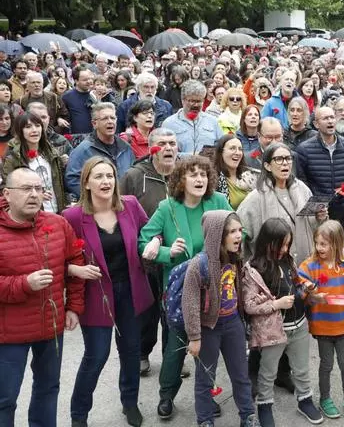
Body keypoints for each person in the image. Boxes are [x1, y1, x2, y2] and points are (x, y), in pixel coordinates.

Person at [138, 155, 231, 420]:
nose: (200, 179)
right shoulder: (167, 208)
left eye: (203, 174)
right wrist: (167, 251)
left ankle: (205, 395)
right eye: (193, 174)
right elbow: (143, 243)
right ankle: (166, 396)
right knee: (176, 347)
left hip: (214, 288)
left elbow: (240, 233)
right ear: (181, 180)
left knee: (209, 346)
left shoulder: (218, 202)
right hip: (179, 290)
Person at [63, 157, 153, 427]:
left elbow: (150, 233)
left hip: (131, 290)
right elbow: (54, 256)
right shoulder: (73, 216)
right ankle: (79, 415)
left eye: (110, 176)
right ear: (86, 183)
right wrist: (74, 270)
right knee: (96, 355)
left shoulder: (130, 206)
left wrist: (156, 242)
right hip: (96, 294)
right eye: (99, 177)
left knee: (130, 351)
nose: (106, 182)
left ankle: (130, 403)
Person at [0, 168, 85, 427]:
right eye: (26, 189)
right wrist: (24, 284)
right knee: (5, 398)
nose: (34, 194)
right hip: (8, 334)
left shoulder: (57, 224)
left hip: (51, 327)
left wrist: (74, 307)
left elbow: (75, 263)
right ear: (7, 194)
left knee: (48, 389)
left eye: (38, 188)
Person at [241, 218, 323, 427]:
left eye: (288, 244)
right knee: (268, 372)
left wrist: (307, 291)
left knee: (302, 369)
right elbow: (249, 306)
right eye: (281, 244)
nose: (285, 249)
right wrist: (277, 304)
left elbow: (295, 286)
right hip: (272, 332)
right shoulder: (253, 268)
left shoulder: (287, 260)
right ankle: (264, 405)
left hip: (299, 325)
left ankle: (305, 400)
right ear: (268, 242)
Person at [182, 211, 261, 427]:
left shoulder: (236, 258)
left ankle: (248, 416)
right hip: (209, 328)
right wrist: (195, 337)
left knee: (241, 374)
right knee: (205, 378)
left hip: (233, 323)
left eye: (240, 230)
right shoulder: (199, 264)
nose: (238, 236)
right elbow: (189, 303)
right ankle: (205, 420)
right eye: (232, 232)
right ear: (217, 235)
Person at [119, 128, 178, 375]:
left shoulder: (183, 174)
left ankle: (172, 357)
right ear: (151, 148)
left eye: (172, 143)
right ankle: (143, 353)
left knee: (173, 311)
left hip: (177, 255)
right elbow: (121, 213)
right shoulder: (134, 176)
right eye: (162, 143)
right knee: (148, 311)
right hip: (146, 257)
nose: (168, 148)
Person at [296, 220, 344, 420]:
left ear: (338, 243)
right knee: (326, 364)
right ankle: (325, 398)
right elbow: (300, 278)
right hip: (322, 325)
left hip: (343, 324)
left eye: (324, 244)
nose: (319, 248)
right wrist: (310, 289)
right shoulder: (311, 265)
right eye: (317, 243)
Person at [238, 142, 325, 265]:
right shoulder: (255, 198)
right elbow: (240, 234)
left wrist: (320, 218)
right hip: (272, 270)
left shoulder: (303, 189)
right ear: (267, 166)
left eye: (288, 158)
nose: (285, 163)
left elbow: (315, 228)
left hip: (306, 267)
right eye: (278, 159)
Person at [1, 112, 67, 214]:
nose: (34, 130)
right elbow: (7, 190)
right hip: (32, 215)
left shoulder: (51, 152)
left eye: (37, 125)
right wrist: (35, 194)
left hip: (58, 212)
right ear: (20, 131)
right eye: (28, 127)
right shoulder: (13, 158)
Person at [65, 103, 135, 198]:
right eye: (105, 118)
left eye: (113, 118)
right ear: (94, 124)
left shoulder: (126, 148)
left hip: (123, 203)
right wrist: (93, 199)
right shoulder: (83, 150)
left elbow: (132, 176)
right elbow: (72, 180)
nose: (110, 121)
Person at [296, 107, 344, 197]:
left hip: (343, 204)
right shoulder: (304, 149)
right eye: (325, 118)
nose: (330, 121)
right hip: (318, 205)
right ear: (316, 124)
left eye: (332, 117)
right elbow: (301, 181)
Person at [162, 80, 223, 154]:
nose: (196, 105)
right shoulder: (169, 124)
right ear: (183, 100)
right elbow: (165, 153)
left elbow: (221, 149)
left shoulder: (213, 121)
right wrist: (192, 157)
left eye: (199, 101)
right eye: (192, 101)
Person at [213, 134, 258, 209]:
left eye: (240, 149)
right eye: (232, 148)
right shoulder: (214, 179)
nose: (237, 153)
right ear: (221, 152)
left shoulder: (250, 175)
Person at [62, 65, 96, 137]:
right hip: (76, 138)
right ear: (76, 81)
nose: (89, 81)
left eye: (90, 78)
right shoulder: (67, 97)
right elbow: (62, 115)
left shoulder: (95, 94)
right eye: (85, 80)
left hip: (95, 137)